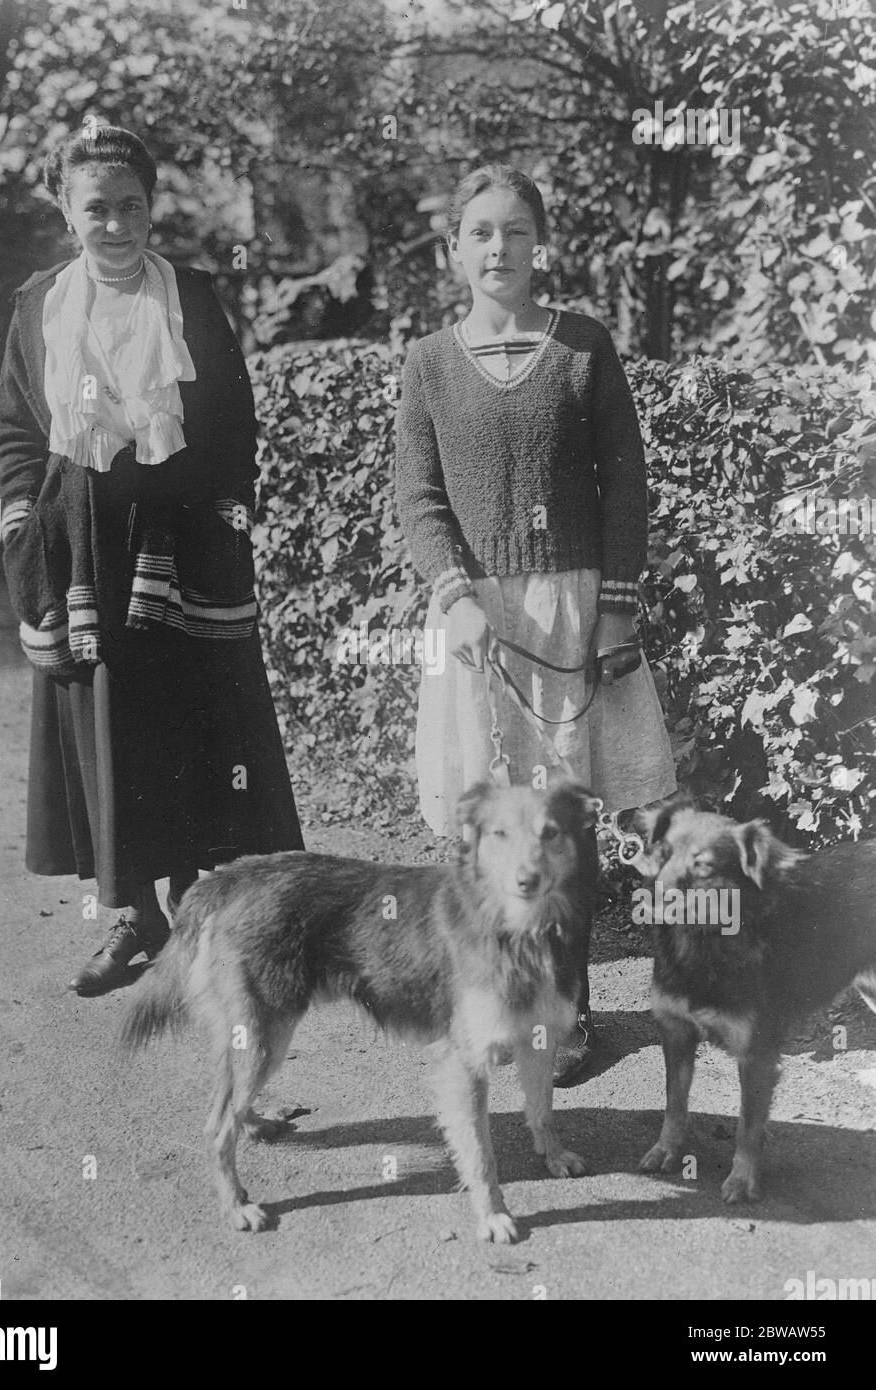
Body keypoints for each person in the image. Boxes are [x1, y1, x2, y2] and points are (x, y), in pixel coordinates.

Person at [0, 124, 304, 996]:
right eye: (97, 208)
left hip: (182, 537)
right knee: (108, 721)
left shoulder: (193, 298)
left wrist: (223, 520)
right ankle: (132, 912)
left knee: (191, 719)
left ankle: (195, 902)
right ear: (67, 211)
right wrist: (26, 531)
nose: (117, 225)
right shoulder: (38, 306)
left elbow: (234, 425)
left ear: (151, 207)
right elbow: (18, 430)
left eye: (132, 207)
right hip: (83, 541)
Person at [394, 164, 677, 1080]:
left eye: (516, 232)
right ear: (453, 251)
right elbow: (419, 497)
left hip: (571, 613)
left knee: (563, 822)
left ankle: (570, 1013)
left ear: (539, 245)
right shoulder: (431, 361)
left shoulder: (584, 347)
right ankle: (489, 1004)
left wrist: (613, 611)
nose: (498, 249)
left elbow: (625, 484)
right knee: (488, 824)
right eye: (479, 233)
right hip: (477, 621)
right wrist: (455, 594)